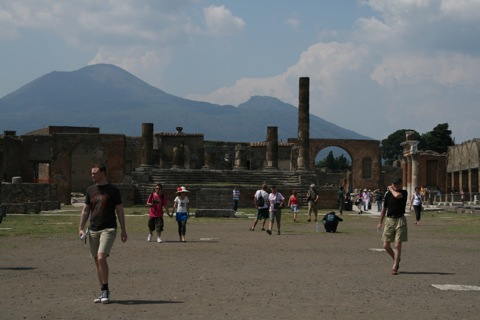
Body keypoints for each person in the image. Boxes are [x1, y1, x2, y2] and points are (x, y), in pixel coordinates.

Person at [78, 163, 128, 304]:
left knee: (101, 257)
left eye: (95, 173)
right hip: (93, 229)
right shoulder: (90, 190)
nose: (92, 175)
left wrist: (123, 230)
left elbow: (119, 210)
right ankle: (102, 291)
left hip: (109, 229)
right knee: (96, 261)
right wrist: (81, 227)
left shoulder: (113, 190)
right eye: (91, 173)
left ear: (103, 173)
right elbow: (86, 210)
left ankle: (106, 290)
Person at [376, 178, 408, 275]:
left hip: (400, 220)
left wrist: (391, 189)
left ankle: (395, 267)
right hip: (389, 220)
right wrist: (380, 222)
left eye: (397, 184)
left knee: (397, 245)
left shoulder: (403, 192)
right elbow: (384, 209)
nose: (396, 185)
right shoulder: (388, 194)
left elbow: (397, 195)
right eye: (394, 184)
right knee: (386, 245)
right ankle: (396, 259)